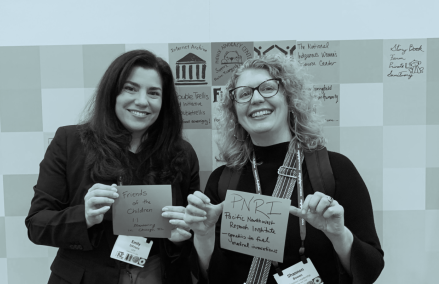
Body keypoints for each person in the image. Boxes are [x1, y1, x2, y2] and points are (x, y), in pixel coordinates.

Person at [184, 54, 384, 284]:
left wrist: (339, 235)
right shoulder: (223, 180)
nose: (256, 99)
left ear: (290, 99)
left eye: (268, 88)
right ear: (235, 112)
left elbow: (371, 269)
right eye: (244, 94)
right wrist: (203, 236)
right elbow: (212, 276)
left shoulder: (335, 170)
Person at [25, 49, 200, 284]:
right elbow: (37, 224)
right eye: (130, 88)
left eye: (154, 93)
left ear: (164, 102)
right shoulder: (70, 142)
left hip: (158, 275)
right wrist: (84, 216)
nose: (142, 101)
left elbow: (193, 237)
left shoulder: (182, 154)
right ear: (112, 92)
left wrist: (181, 238)